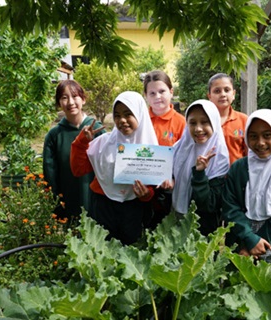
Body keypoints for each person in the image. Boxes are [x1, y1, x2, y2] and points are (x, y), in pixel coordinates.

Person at [70, 91, 158, 245]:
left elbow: (152, 187)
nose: (122, 120)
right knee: (102, 251)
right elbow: (78, 169)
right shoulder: (103, 143)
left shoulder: (150, 148)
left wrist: (145, 194)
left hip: (133, 209)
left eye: (128, 114)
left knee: (131, 251)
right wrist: (82, 141)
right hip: (103, 207)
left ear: (140, 114)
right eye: (117, 115)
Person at [222, 109, 271, 267]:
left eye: (267, 135)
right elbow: (230, 208)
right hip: (241, 238)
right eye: (253, 136)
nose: (260, 142)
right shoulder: (238, 168)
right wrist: (249, 240)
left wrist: (256, 243)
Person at [43, 80, 106, 221]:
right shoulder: (54, 136)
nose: (70, 102)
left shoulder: (97, 130)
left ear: (83, 99)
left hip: (96, 199)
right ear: (59, 103)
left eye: (75, 96)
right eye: (64, 98)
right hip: (68, 197)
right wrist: (55, 203)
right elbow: (50, 173)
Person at [172, 100, 229, 236]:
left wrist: (199, 173)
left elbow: (210, 204)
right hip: (176, 218)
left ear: (214, 123)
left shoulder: (219, 157)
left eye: (205, 122)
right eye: (192, 123)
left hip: (203, 227)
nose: (198, 128)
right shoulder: (178, 149)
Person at [143, 70, 186, 229]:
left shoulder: (181, 123)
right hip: (144, 187)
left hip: (170, 189)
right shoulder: (141, 121)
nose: (157, 97)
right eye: (152, 93)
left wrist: (173, 178)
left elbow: (184, 157)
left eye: (162, 91)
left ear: (171, 92)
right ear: (146, 96)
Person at [207, 73, 248, 165]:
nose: (223, 94)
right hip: (210, 176)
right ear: (209, 96)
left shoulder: (244, 120)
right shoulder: (203, 121)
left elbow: (249, 153)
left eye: (227, 90)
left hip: (237, 176)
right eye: (217, 91)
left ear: (233, 94)